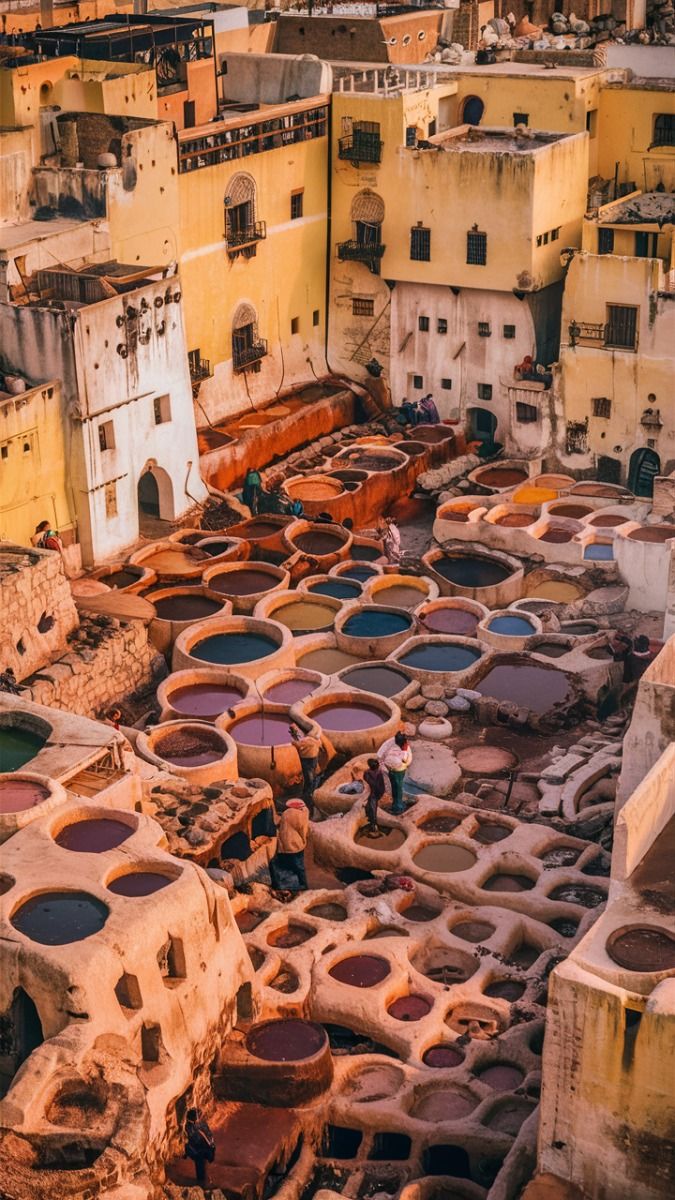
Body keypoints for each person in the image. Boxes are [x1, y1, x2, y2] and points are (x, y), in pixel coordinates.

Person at [269, 798, 309, 895]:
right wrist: (303, 841)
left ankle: (289, 885)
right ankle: (303, 884)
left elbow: (277, 822)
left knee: (287, 865)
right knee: (299, 866)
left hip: (287, 845)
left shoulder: (287, 813)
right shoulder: (304, 813)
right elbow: (303, 830)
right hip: (297, 845)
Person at [289, 722, 322, 815]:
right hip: (313, 758)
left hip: (307, 760)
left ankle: (308, 794)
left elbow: (298, 744)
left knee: (308, 776)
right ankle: (309, 790)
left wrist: (292, 741)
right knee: (311, 773)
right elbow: (301, 739)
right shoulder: (316, 741)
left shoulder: (306, 741)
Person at [378, 731, 412, 816]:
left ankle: (396, 804)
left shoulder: (398, 743)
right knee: (398, 788)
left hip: (394, 768)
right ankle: (398, 807)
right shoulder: (395, 744)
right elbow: (405, 759)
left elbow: (380, 755)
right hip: (396, 769)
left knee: (396, 787)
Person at [184, 1107, 215, 1185]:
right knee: (201, 1160)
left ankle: (202, 1178)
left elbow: (206, 1134)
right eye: (196, 1117)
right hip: (197, 1149)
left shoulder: (194, 1126)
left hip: (199, 1148)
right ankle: (201, 1180)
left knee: (202, 1161)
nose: (197, 1119)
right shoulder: (190, 1127)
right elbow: (193, 1140)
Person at [363, 757, 386, 833]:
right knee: (371, 804)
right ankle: (371, 820)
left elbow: (371, 783)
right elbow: (380, 785)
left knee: (373, 806)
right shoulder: (379, 772)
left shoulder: (367, 773)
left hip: (375, 792)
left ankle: (374, 823)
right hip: (379, 791)